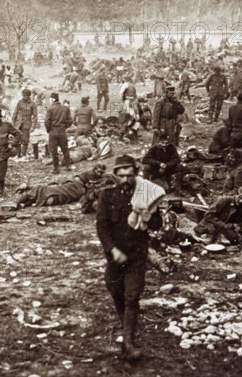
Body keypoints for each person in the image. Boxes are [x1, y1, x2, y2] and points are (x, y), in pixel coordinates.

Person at [96, 155, 164, 362]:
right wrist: (112, 249)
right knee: (115, 289)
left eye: (130, 175)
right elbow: (102, 227)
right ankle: (127, 321)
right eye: (121, 176)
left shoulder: (145, 194)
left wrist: (148, 218)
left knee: (132, 296)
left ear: (135, 174)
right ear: (115, 176)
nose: (126, 180)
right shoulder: (107, 196)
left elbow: (157, 225)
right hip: (115, 255)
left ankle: (128, 342)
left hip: (136, 254)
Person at [45, 93, 74, 174]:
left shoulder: (50, 109)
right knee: (65, 149)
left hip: (53, 131)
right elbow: (70, 120)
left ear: (53, 99)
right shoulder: (65, 108)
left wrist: (48, 130)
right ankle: (68, 166)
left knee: (53, 150)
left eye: (50, 99)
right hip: (62, 131)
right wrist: (65, 127)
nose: (50, 101)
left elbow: (47, 121)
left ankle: (56, 168)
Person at [12, 89, 38, 158]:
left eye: (25, 96)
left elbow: (35, 116)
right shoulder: (19, 102)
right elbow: (15, 113)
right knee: (17, 139)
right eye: (23, 95)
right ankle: (18, 155)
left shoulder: (33, 104)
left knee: (25, 140)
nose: (24, 97)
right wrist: (13, 124)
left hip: (27, 124)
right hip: (18, 124)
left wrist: (33, 127)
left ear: (29, 96)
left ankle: (23, 155)